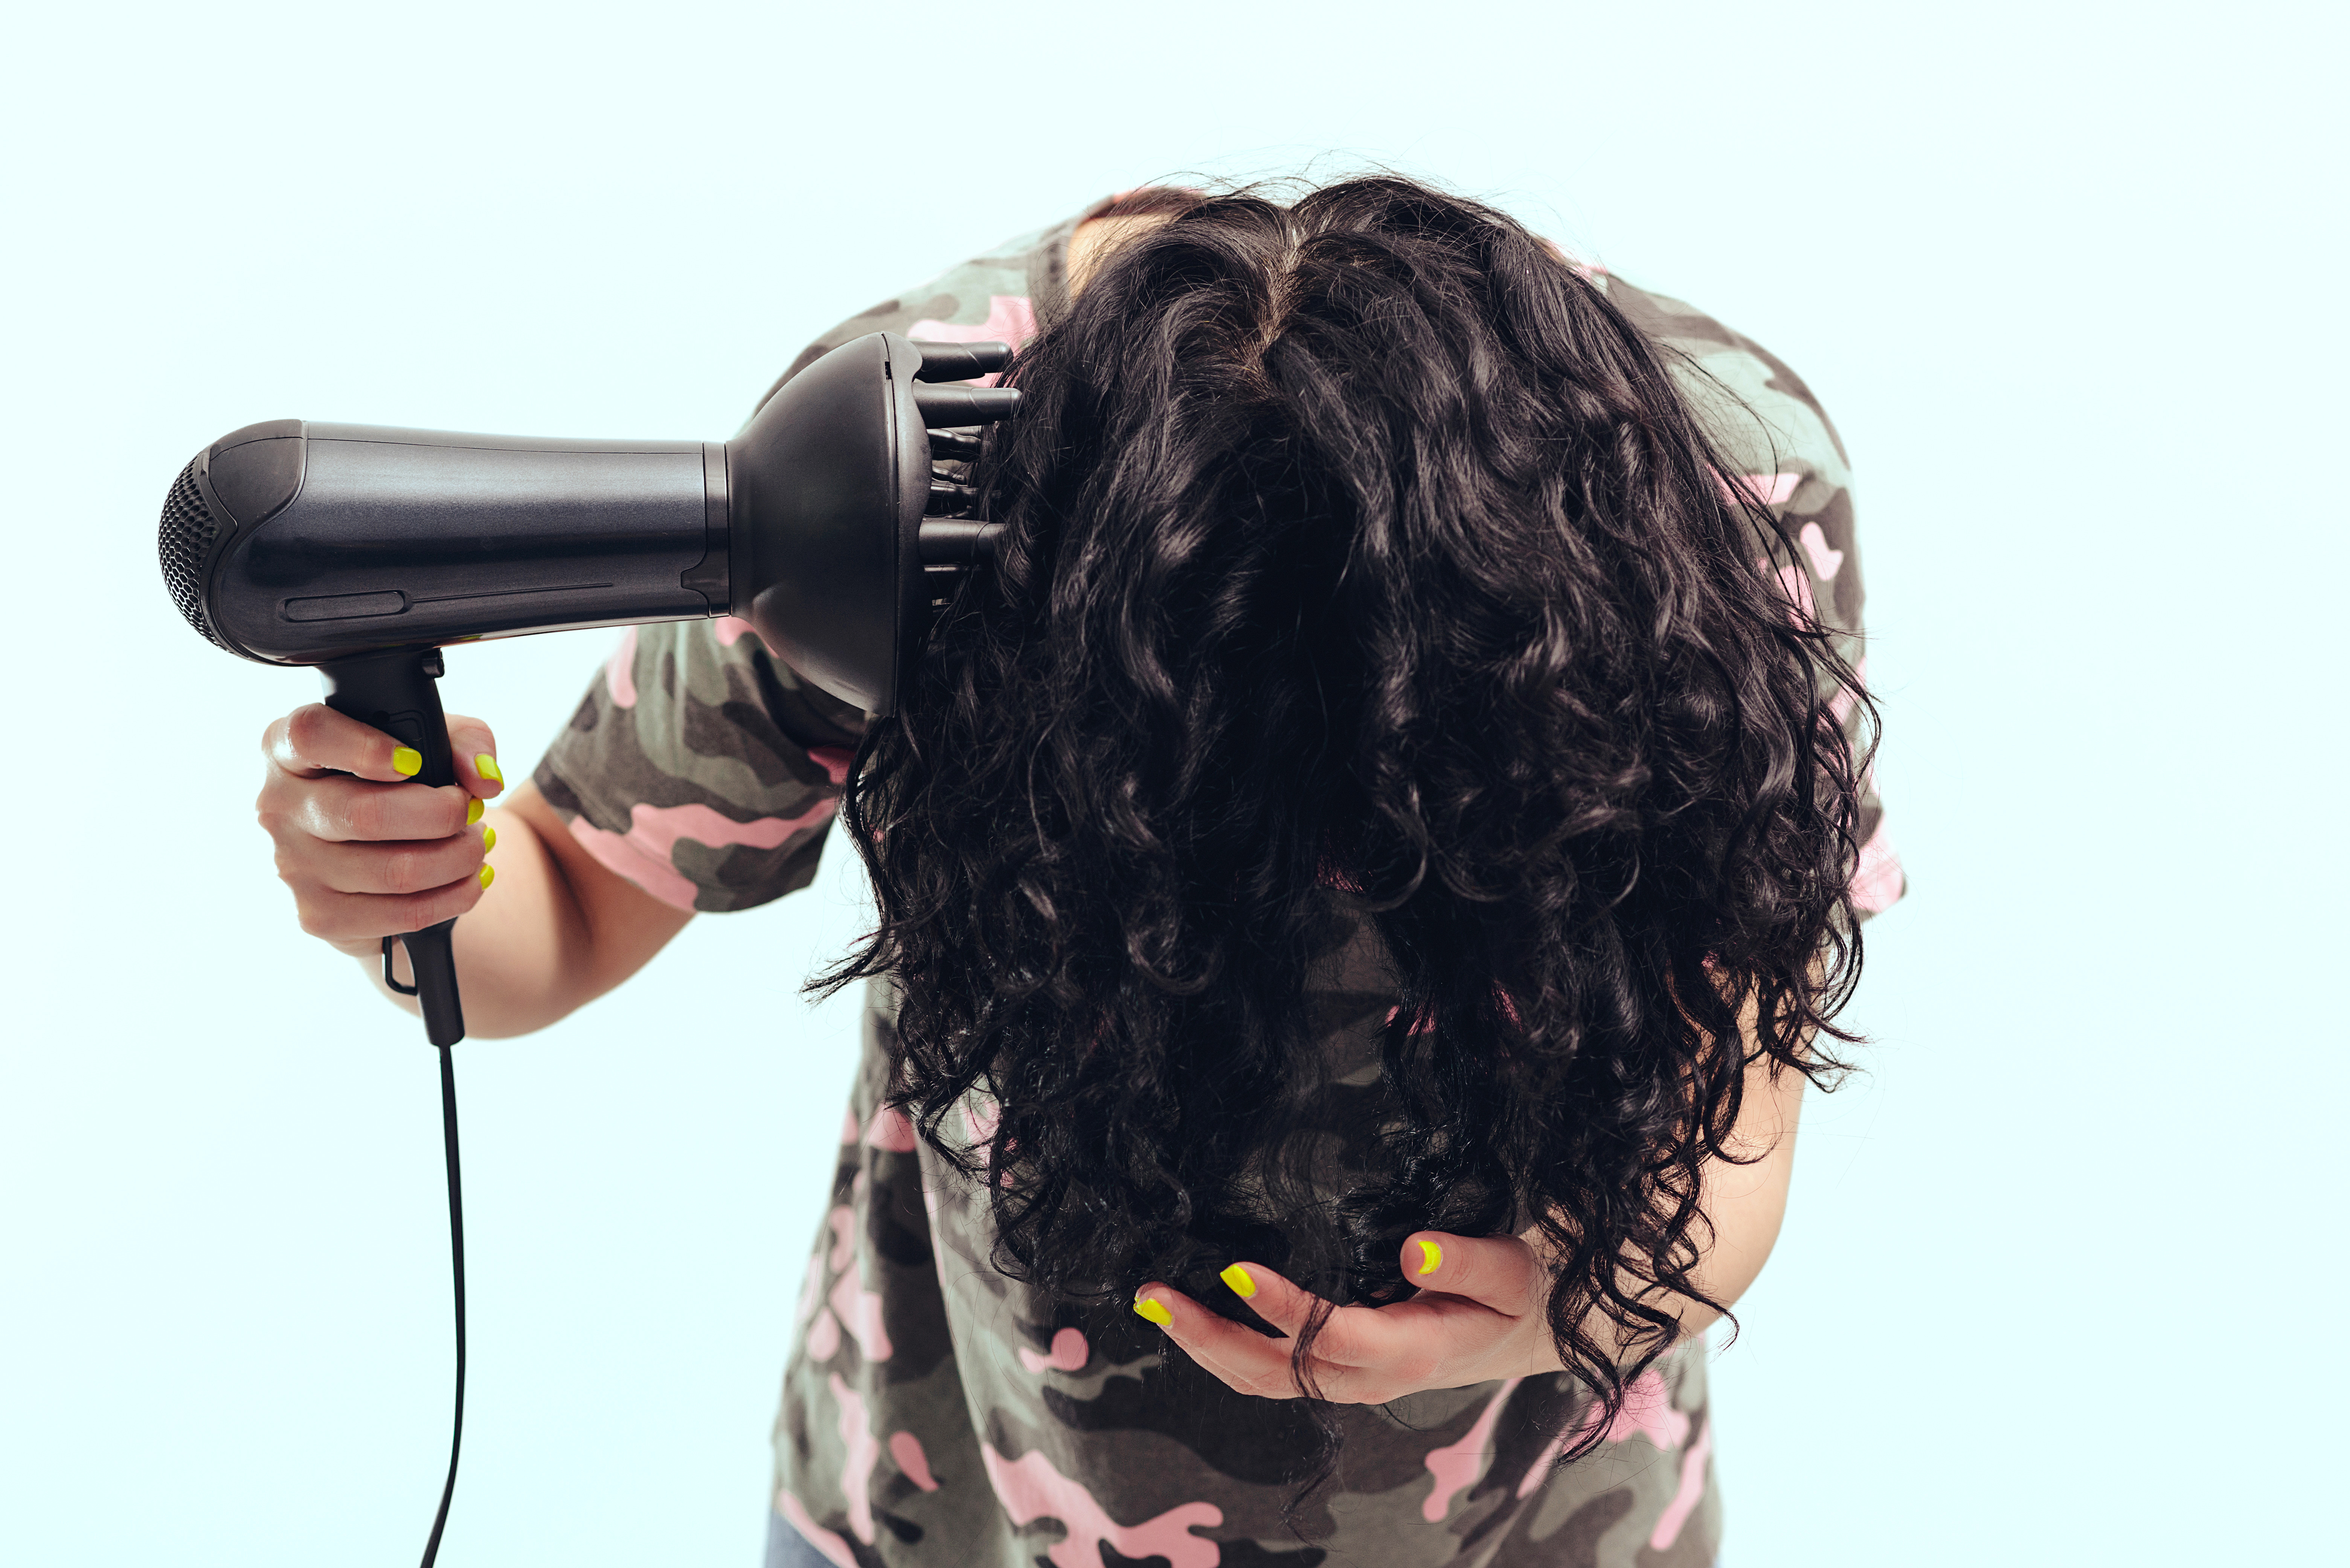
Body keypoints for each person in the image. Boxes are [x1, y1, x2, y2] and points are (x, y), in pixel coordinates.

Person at [254, 177, 1904, 1568]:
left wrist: (1581, 1298)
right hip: (951, 1503)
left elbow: (1737, 1074)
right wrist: (415, 883)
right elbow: (567, 896)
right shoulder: (897, 495)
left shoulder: (1704, 507)